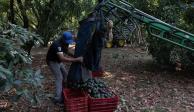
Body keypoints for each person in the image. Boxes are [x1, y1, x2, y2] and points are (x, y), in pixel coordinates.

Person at [46, 31, 83, 104]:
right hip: (52, 61)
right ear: (62, 39)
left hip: (58, 61)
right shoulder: (57, 45)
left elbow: (66, 51)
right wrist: (76, 59)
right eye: (67, 41)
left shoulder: (64, 42)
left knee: (66, 75)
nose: (68, 43)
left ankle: (64, 91)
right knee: (59, 77)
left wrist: (75, 56)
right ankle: (57, 98)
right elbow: (62, 58)